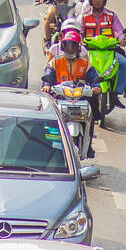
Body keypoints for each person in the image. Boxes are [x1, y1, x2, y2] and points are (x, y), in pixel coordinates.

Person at [42, 28, 104, 157]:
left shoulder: (85, 63)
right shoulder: (55, 62)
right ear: (63, 46)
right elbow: (48, 76)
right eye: (68, 44)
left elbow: (94, 77)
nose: (71, 48)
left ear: (78, 47)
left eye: (74, 45)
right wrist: (47, 85)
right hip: (60, 97)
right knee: (47, 116)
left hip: (80, 98)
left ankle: (89, 144)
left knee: (91, 116)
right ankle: (46, 143)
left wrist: (96, 86)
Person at [74, 0, 126, 106]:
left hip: (110, 51)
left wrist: (121, 38)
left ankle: (118, 92)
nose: (97, 1)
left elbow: (119, 31)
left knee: (124, 64)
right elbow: (78, 32)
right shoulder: (83, 17)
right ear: (90, 0)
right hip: (89, 50)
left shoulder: (111, 16)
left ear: (104, 0)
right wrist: (78, 40)